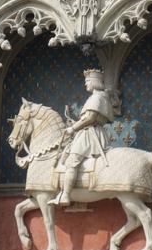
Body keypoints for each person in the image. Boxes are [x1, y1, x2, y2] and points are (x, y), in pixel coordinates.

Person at [48, 69, 114, 206]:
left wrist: (73, 128)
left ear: (95, 82)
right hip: (89, 132)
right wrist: (74, 123)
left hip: (89, 135)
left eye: (88, 81)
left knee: (72, 161)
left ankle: (65, 195)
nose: (86, 85)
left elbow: (90, 118)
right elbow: (88, 118)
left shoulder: (97, 97)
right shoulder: (98, 97)